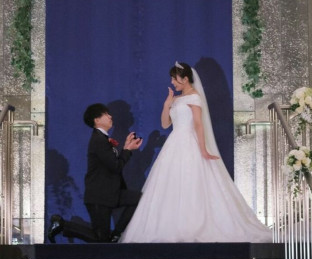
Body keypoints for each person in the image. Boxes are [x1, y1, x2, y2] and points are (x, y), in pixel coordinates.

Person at [120, 62, 272, 243]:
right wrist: (167, 104)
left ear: (185, 79)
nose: (172, 82)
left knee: (192, 181)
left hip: (189, 142)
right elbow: (165, 124)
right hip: (174, 143)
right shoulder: (176, 99)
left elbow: (199, 125)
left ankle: (194, 225)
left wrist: (203, 149)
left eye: (174, 79)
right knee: (171, 183)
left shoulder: (194, 97)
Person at [83, 103, 143, 242]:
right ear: (97, 120)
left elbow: (112, 163)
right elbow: (116, 166)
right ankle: (64, 226)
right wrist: (127, 150)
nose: (110, 116)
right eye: (105, 114)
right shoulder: (99, 140)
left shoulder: (102, 138)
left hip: (110, 193)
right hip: (99, 196)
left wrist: (126, 148)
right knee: (101, 240)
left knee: (139, 199)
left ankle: (117, 233)